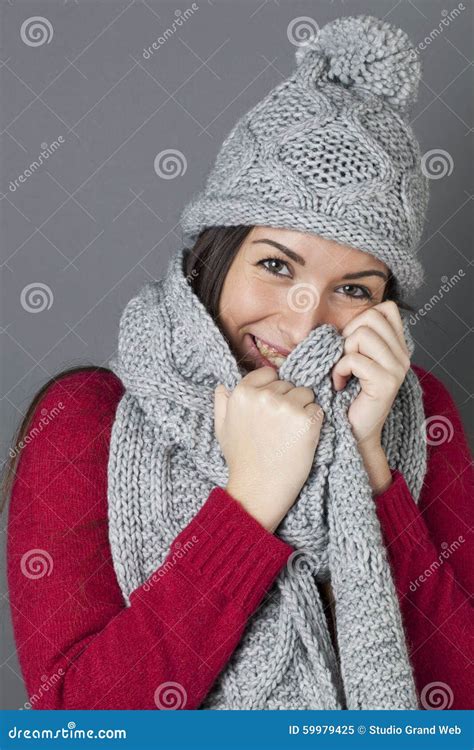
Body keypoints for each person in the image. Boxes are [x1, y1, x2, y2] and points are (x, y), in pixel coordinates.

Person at [3, 15, 472, 710]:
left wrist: (373, 468)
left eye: (353, 289)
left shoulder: (416, 409)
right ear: (215, 254)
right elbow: (77, 721)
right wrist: (250, 501)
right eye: (277, 265)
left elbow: (458, 700)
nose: (303, 320)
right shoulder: (85, 421)